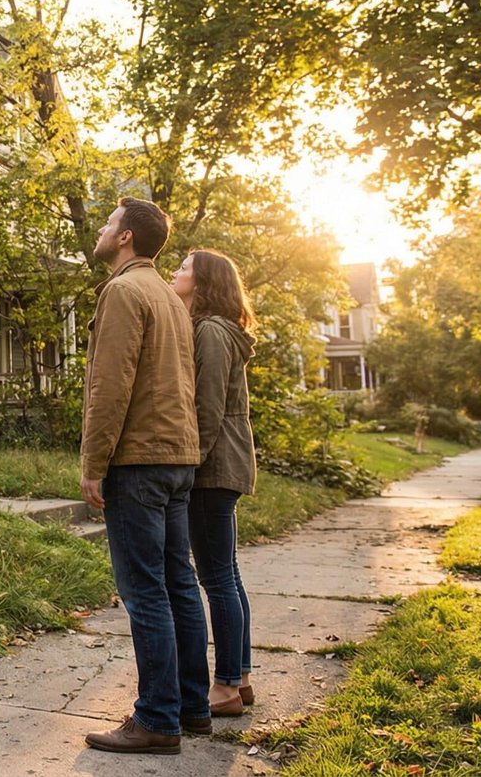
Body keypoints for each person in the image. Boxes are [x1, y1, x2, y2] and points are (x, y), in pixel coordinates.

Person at [80, 197, 209, 756]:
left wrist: (93, 463)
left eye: (109, 223)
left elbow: (111, 386)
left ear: (126, 236)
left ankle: (156, 718)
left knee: (146, 591)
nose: (103, 230)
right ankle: (190, 707)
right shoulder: (166, 294)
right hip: (179, 457)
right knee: (180, 583)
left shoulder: (123, 291)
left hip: (138, 460)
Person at [170, 248, 258, 717]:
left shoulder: (209, 331)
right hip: (224, 464)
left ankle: (223, 687)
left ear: (203, 283)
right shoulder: (218, 329)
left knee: (217, 577)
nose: (175, 272)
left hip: (213, 467)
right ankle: (239, 677)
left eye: (184, 268)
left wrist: (189, 465)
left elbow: (207, 408)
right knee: (227, 573)